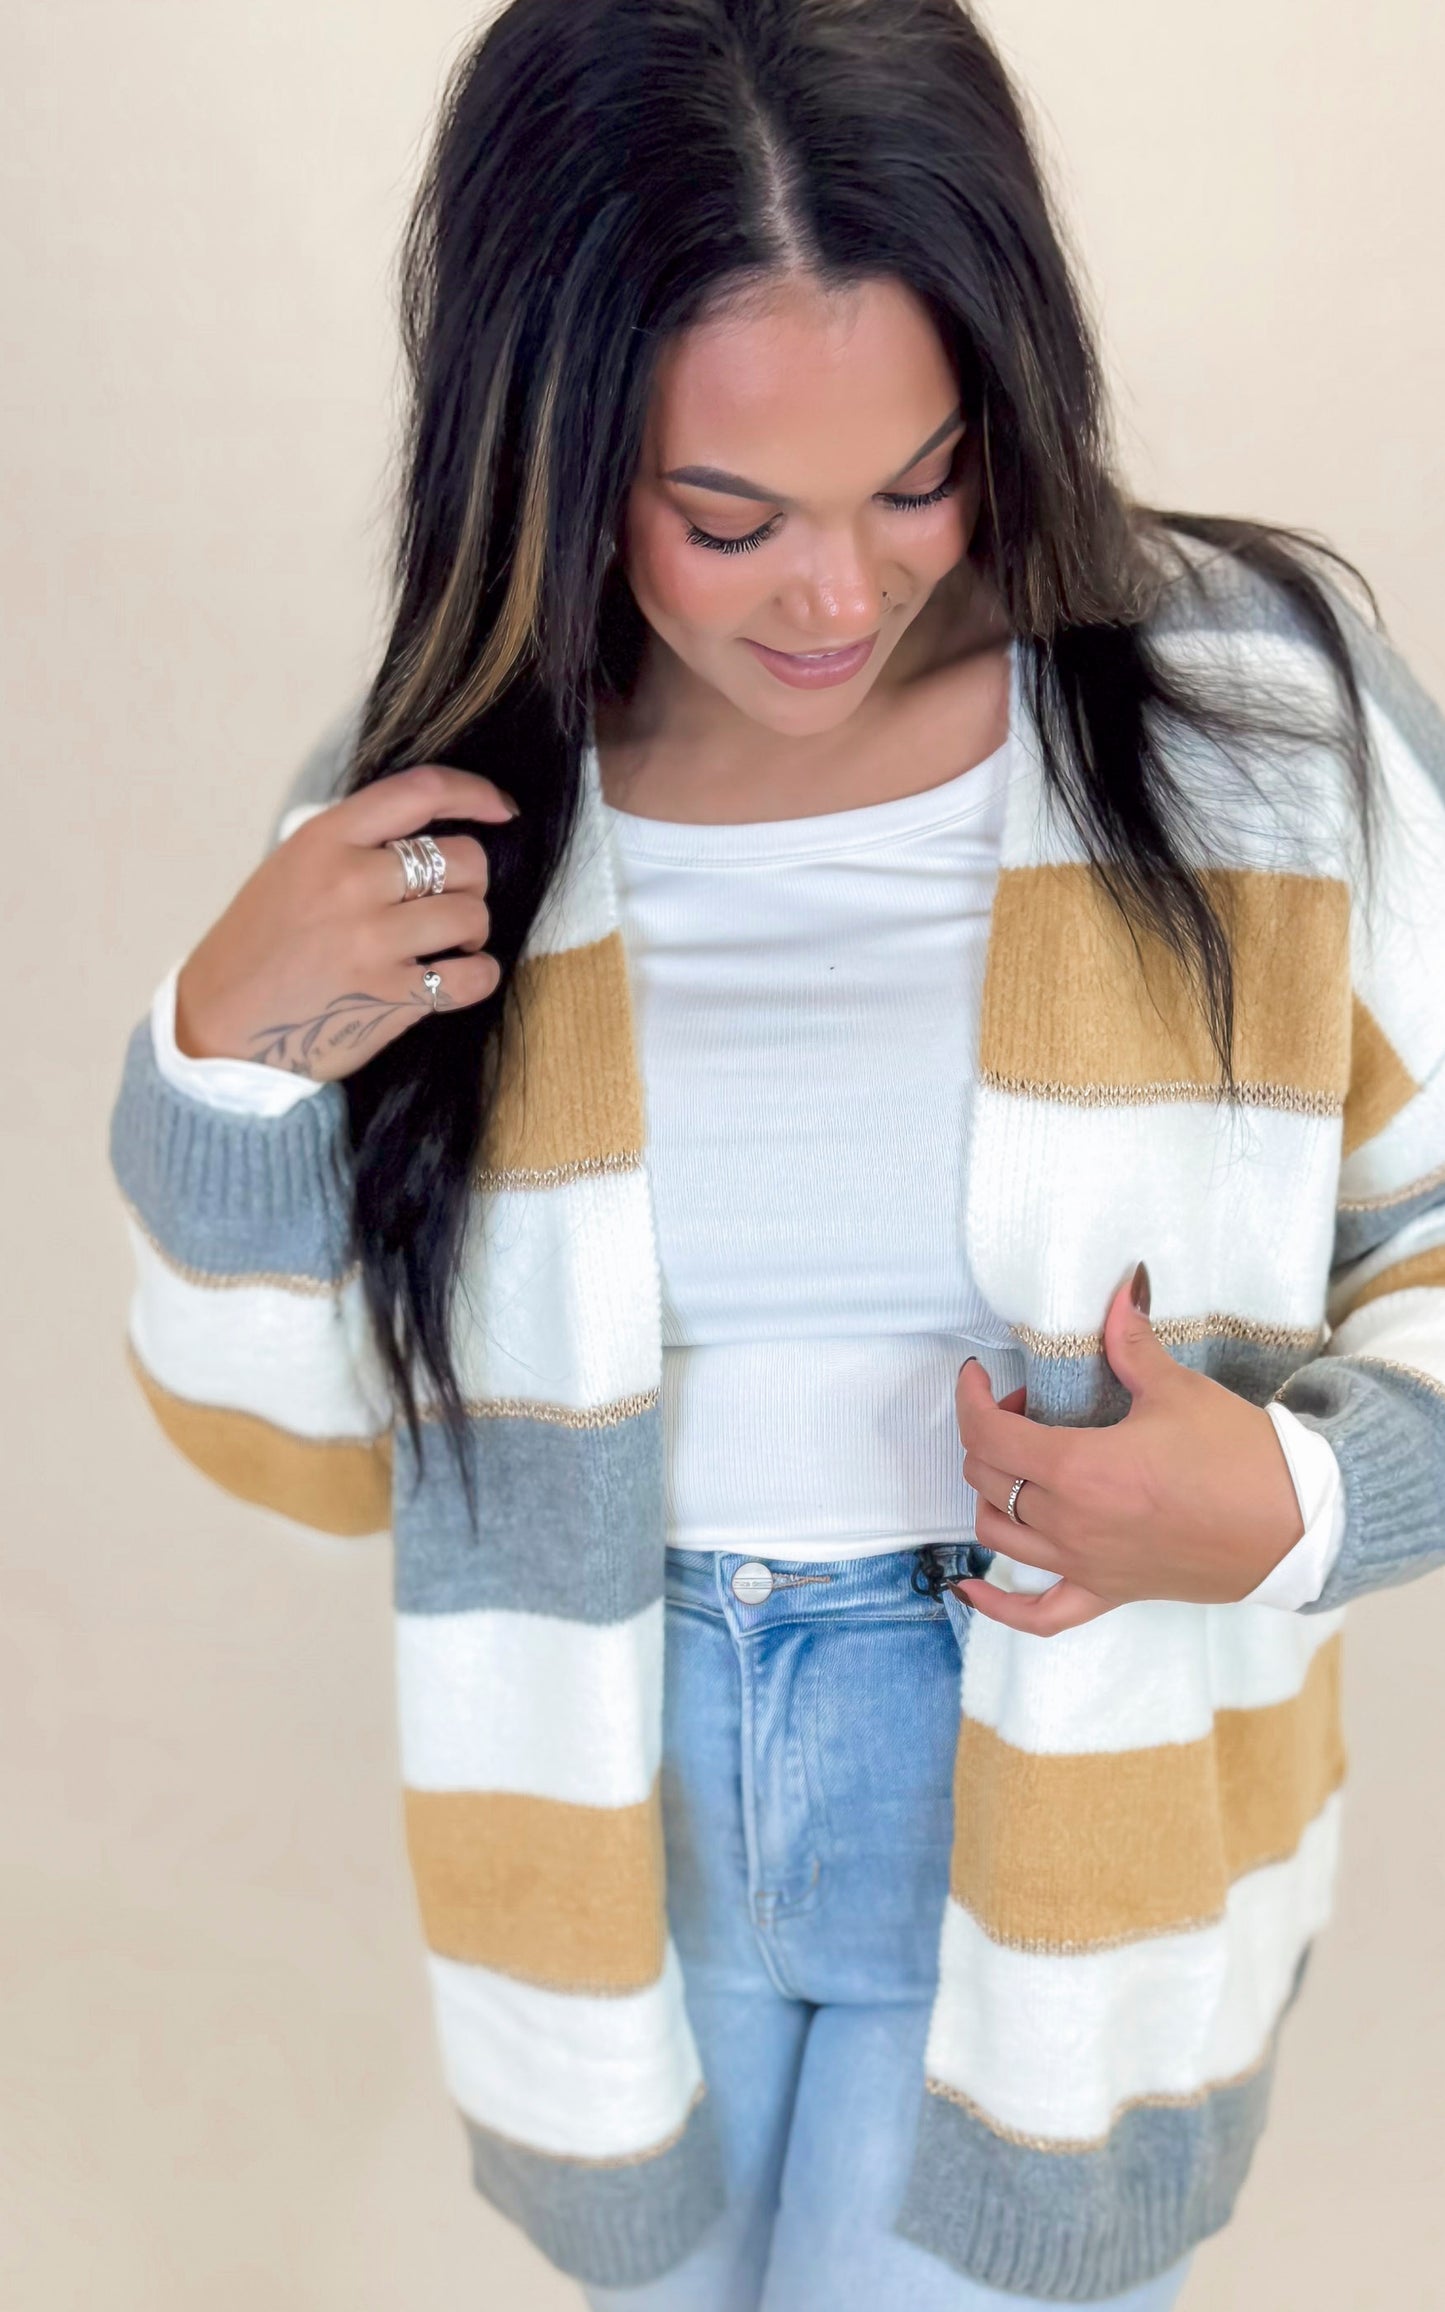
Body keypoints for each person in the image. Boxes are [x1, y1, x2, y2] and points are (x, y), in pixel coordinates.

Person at [109, 1, 1445, 2305]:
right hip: (608, 1829)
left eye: (920, 479)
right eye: (727, 518)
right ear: (549, 454)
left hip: (1054, 1816)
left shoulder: (1258, 711)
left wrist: (1302, 1502)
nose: (839, 597)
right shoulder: (436, 818)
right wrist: (219, 1056)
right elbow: (308, 1457)